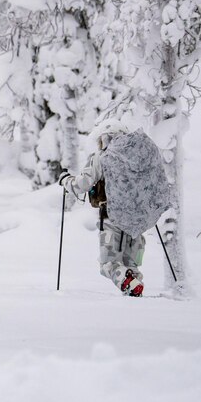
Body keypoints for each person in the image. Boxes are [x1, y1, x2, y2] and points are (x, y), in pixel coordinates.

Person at [59, 120, 145, 297]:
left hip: (112, 217)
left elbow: (82, 184)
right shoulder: (138, 158)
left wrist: (66, 180)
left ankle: (131, 287)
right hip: (137, 220)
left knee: (108, 264)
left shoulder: (102, 158)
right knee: (130, 264)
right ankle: (135, 295)